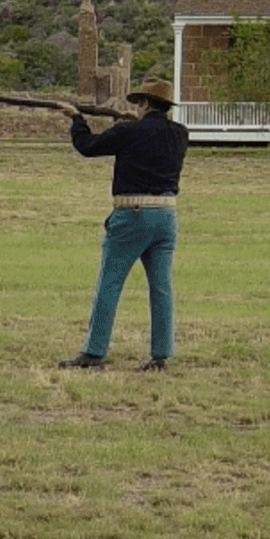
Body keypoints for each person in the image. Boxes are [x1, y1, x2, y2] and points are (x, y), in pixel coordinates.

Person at [57, 76, 189, 371]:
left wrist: (77, 118)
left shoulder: (130, 131)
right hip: (167, 215)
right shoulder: (180, 133)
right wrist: (127, 124)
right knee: (161, 287)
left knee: (110, 282)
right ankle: (161, 354)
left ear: (143, 103)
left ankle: (93, 352)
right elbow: (146, 137)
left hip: (133, 213)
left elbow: (87, 146)